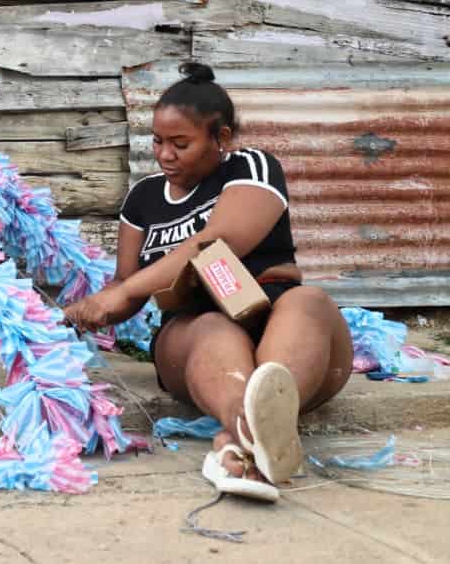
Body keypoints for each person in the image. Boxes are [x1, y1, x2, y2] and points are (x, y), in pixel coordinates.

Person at [63, 62, 352, 501]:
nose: (165, 155)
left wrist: (124, 290)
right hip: (195, 334)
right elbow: (126, 286)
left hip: (278, 318)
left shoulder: (251, 166)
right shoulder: (142, 199)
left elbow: (219, 241)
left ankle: (243, 441)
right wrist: (85, 311)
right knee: (211, 328)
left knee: (308, 301)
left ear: (221, 139)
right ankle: (253, 433)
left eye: (181, 144)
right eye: (157, 142)